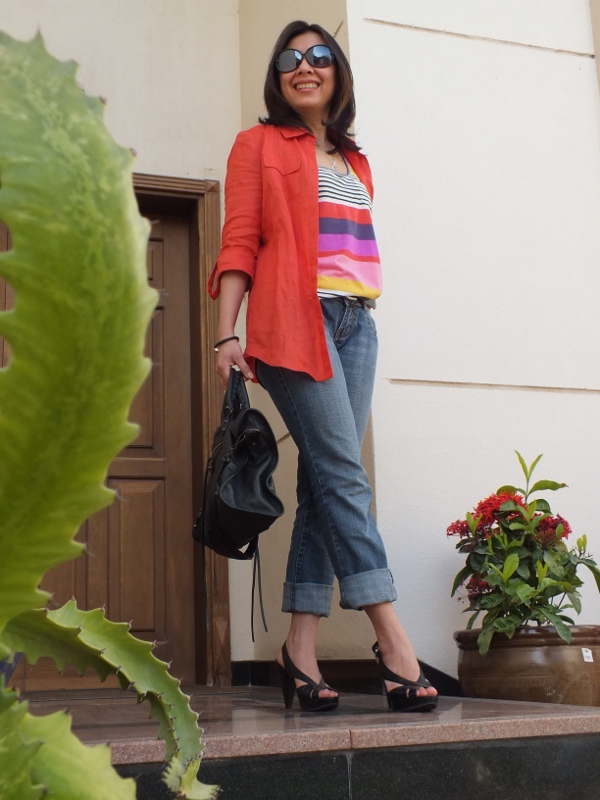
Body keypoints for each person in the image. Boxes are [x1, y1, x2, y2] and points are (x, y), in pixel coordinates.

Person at [208, 20, 438, 713]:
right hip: (293, 320)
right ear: (277, 77)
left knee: (322, 480)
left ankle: (298, 649)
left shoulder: (355, 161)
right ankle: (394, 643)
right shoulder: (257, 145)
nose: (303, 66)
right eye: (289, 58)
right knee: (343, 473)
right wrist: (225, 335)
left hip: (356, 325)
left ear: (337, 71)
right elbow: (240, 239)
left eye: (318, 55)